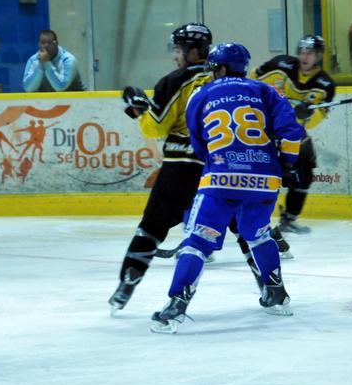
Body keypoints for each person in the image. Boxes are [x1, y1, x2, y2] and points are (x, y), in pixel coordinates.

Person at [149, 43, 307, 333]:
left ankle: (176, 306)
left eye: (212, 68)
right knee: (258, 235)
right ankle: (276, 294)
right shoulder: (265, 90)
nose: (210, 73)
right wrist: (289, 165)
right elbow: (291, 131)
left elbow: (200, 142)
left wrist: (224, 160)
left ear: (220, 68)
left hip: (222, 178)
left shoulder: (201, 94)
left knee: (197, 242)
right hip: (264, 180)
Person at [107, 23, 214, 314]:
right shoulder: (224, 76)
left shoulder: (176, 79)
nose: (175, 56)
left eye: (179, 49)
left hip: (182, 167)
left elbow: (157, 127)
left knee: (151, 228)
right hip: (221, 168)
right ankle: (269, 284)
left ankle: (130, 278)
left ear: (194, 51)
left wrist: (141, 110)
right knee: (244, 229)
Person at [250, 34, 335, 234]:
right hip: (266, 129)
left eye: (311, 53)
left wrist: (307, 114)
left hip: (292, 132)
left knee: (305, 169)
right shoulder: (280, 65)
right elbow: (253, 77)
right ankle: (247, 216)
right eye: (302, 52)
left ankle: (288, 218)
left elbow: (316, 118)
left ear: (319, 56)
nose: (305, 57)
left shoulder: (324, 84)